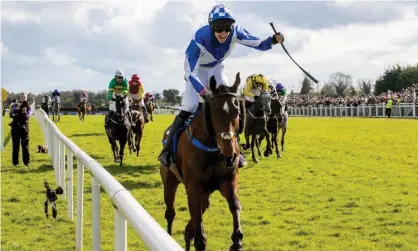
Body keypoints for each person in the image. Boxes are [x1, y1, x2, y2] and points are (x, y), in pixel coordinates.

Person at [157, 4, 285, 166]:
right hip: (196, 72)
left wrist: (273, 40)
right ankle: (167, 150)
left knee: (228, 103)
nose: (224, 33)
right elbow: (191, 74)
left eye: (227, 28)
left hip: (217, 68)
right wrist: (203, 92)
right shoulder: (199, 39)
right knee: (189, 107)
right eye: (219, 29)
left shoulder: (235, 31)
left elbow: (258, 43)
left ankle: (236, 148)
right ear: (211, 27)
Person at [10, 92, 32, 166]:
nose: (22, 99)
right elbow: (11, 114)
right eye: (21, 97)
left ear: (26, 98)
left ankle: (26, 162)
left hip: (24, 128)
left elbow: (28, 117)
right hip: (15, 128)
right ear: (20, 98)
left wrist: (24, 112)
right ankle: (15, 163)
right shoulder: (15, 105)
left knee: (25, 146)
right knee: (15, 146)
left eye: (24, 97)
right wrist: (17, 108)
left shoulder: (28, 107)